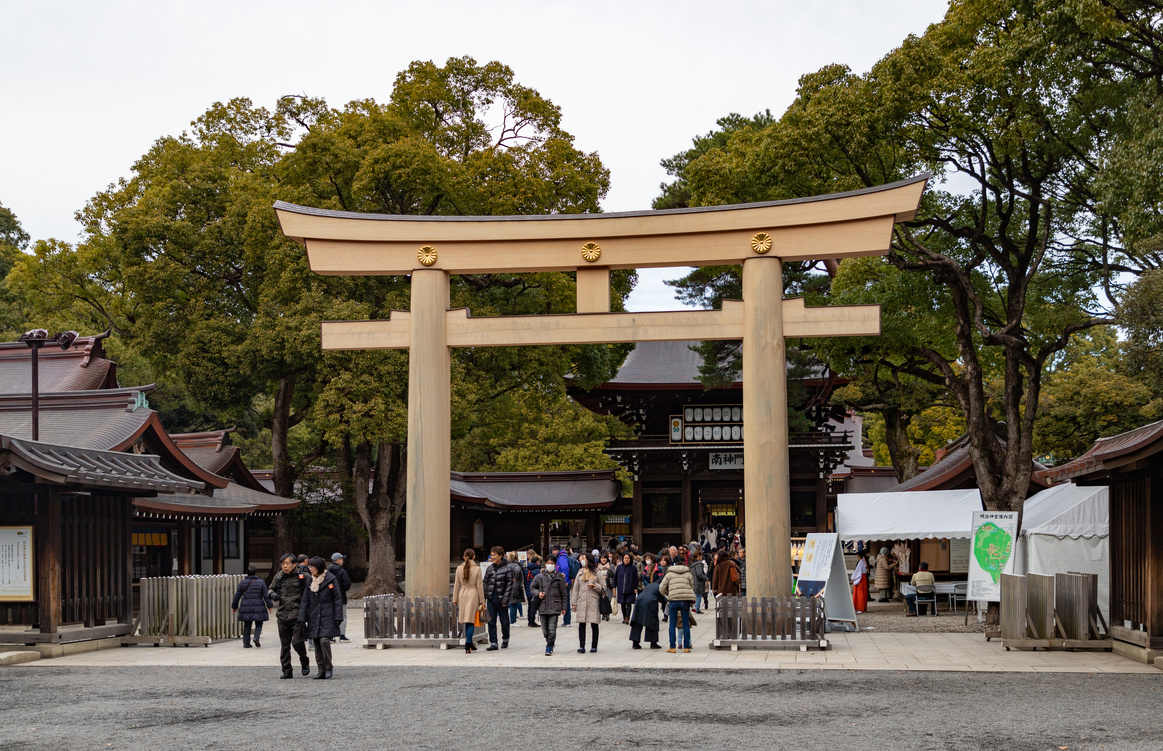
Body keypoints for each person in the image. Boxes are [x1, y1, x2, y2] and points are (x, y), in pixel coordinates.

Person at [298, 556, 342, 679]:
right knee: (316, 642)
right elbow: (305, 600)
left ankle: (328, 667)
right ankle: (321, 669)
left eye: (312, 567)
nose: (310, 569)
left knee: (324, 641)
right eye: (309, 566)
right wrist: (302, 617)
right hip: (314, 615)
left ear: (319, 567)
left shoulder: (331, 580)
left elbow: (337, 599)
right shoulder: (310, 581)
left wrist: (338, 616)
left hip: (328, 615)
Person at [268, 553, 311, 678]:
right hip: (282, 614)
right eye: (283, 564)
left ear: (294, 564)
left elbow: (311, 592)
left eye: (287, 563)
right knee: (284, 645)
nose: (285, 566)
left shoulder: (303, 576)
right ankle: (287, 670)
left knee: (297, 642)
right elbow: (270, 588)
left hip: (298, 614)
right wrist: (272, 595)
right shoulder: (279, 576)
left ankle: (304, 660)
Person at [529, 555, 568, 655]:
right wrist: (538, 594)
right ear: (545, 564)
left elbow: (564, 594)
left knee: (552, 629)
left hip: (555, 606)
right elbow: (532, 587)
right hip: (543, 606)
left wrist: (564, 607)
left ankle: (549, 646)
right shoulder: (540, 577)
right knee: (545, 630)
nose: (550, 565)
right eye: (548, 563)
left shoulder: (559, 577)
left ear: (555, 565)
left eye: (552, 563)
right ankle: (550, 642)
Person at [570, 553, 606, 653]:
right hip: (581, 601)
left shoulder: (597, 573)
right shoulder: (580, 572)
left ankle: (594, 646)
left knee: (594, 624)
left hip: (593, 600)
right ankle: (582, 646)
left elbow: (604, 588)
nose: (582, 560)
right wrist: (574, 603)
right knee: (581, 624)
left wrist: (595, 585)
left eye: (584, 558)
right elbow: (575, 589)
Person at [231, 564, 273, 649]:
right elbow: (266, 595)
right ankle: (256, 637)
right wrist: (269, 606)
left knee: (247, 624)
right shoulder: (261, 582)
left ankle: (246, 643)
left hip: (246, 605)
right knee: (259, 622)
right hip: (258, 605)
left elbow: (237, 596)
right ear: (255, 572)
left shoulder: (242, 583)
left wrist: (234, 606)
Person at [658, 559, 695, 653]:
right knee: (686, 624)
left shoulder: (669, 574)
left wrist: (667, 594)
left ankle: (672, 647)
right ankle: (686, 647)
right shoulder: (688, 574)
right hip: (685, 600)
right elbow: (692, 586)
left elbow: (661, 587)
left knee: (672, 625)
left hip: (673, 600)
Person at [452, 548, 485, 652]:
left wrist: (455, 598)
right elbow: (480, 586)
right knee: (471, 620)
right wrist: (482, 600)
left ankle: (469, 643)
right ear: (474, 557)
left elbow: (456, 585)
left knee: (466, 619)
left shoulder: (458, 568)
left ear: (463, 557)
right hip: (473, 593)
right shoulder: (477, 569)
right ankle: (468, 642)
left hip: (462, 593)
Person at [483, 546, 515, 650]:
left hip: (502, 599)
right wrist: (484, 597)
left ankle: (505, 639)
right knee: (491, 621)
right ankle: (493, 642)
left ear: (500, 556)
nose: (492, 557)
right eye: (491, 555)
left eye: (494, 555)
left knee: (504, 621)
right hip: (491, 599)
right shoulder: (490, 568)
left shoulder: (508, 569)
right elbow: (485, 583)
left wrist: (506, 599)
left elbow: (509, 585)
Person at [629, 581, 666, 650]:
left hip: (639, 600)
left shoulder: (650, 585)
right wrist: (666, 614)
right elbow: (665, 601)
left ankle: (635, 643)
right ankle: (653, 643)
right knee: (652, 621)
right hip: (650, 602)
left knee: (637, 620)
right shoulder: (661, 587)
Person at [328, 553, 353, 642]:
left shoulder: (327, 571)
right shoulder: (342, 571)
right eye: (342, 559)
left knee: (331, 616)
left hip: (329, 598)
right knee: (343, 616)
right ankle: (342, 635)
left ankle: (331, 636)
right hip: (341, 597)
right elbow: (347, 584)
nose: (342, 561)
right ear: (338, 560)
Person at [614, 552, 639, 625]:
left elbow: (635, 578)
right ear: (623, 559)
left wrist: (635, 587)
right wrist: (614, 586)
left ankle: (627, 617)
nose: (626, 560)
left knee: (629, 603)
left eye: (628, 558)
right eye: (625, 558)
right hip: (621, 588)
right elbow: (615, 577)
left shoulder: (633, 567)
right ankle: (624, 616)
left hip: (630, 588)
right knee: (622, 604)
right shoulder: (619, 567)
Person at [554, 545, 574, 626]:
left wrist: (564, 580)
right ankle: (566, 620)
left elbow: (565, 568)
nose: (553, 552)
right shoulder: (561, 556)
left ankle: (567, 621)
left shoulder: (562, 557)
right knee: (565, 600)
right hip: (565, 580)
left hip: (565, 581)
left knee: (565, 600)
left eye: (555, 550)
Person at [506, 552, 526, 626]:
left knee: (512, 603)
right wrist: (515, 578)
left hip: (509, 585)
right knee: (513, 603)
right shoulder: (516, 565)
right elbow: (517, 571)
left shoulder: (507, 565)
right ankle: (513, 621)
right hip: (515, 585)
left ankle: (512, 620)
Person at [689, 548, 709, 614]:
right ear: (698, 556)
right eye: (700, 556)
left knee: (696, 596)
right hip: (699, 582)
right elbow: (699, 573)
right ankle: (697, 609)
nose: (701, 558)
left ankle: (695, 608)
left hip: (693, 581)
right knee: (699, 596)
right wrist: (706, 578)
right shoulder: (699, 564)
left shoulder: (692, 564)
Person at [524, 553, 542, 628]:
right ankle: (532, 621)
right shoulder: (537, 570)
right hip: (535, 590)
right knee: (533, 607)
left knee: (530, 606)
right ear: (537, 562)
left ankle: (529, 621)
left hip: (528, 589)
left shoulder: (526, 569)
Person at [597, 553, 615, 622]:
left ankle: (607, 613)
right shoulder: (597, 566)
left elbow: (614, 574)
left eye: (604, 558)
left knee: (608, 599)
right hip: (600, 585)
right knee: (601, 599)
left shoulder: (611, 566)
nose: (603, 559)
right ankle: (603, 613)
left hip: (608, 585)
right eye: (602, 558)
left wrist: (609, 570)